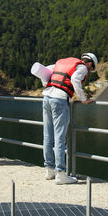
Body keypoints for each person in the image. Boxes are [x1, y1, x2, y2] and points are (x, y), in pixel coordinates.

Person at [42, 53, 98, 185]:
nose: (88, 72)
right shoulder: (82, 67)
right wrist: (83, 99)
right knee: (59, 138)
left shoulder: (62, 62)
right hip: (60, 100)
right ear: (90, 64)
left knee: (48, 136)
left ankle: (49, 169)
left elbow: (43, 71)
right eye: (91, 69)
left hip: (47, 98)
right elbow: (75, 80)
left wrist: (47, 84)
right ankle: (60, 173)